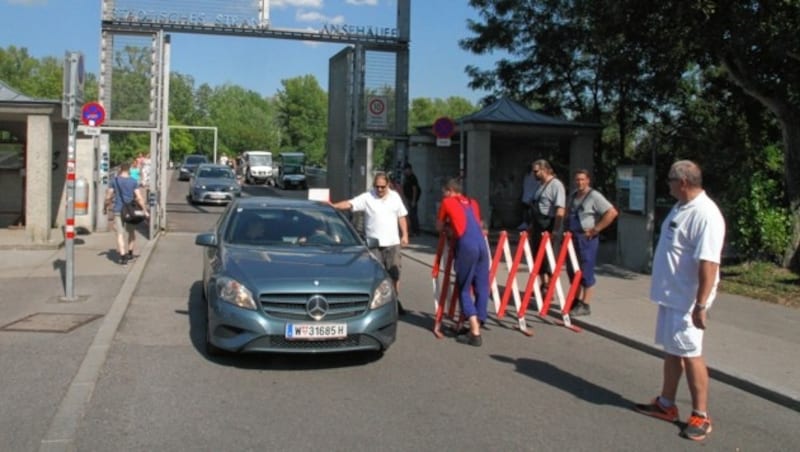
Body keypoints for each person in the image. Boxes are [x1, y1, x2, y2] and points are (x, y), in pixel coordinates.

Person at [634, 160, 725, 442]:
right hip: (672, 296)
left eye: (671, 179)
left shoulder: (706, 214)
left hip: (687, 301)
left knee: (691, 354)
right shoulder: (682, 206)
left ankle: (701, 415)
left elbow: (708, 264)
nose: (668, 184)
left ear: (683, 182)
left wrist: (700, 305)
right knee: (673, 351)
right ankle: (666, 404)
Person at [331, 172, 410, 314]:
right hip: (373, 245)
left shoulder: (395, 197)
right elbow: (350, 204)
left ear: (388, 185)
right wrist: (332, 206)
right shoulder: (368, 197)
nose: (379, 190)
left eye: (382, 187)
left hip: (392, 243)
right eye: (377, 187)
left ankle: (394, 302)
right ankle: (375, 305)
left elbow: (402, 217)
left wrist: (405, 235)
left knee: (394, 274)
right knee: (375, 276)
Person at [436, 177, 490, 347]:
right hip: (482, 246)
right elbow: (476, 222)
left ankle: (474, 332)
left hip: (467, 246)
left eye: (444, 192)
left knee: (464, 288)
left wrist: (446, 227)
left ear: (450, 191)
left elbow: (438, 226)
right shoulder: (473, 202)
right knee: (482, 286)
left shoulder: (447, 202)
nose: (443, 195)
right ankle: (479, 319)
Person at [565, 169, 618, 316]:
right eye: (577, 180)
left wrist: (596, 229)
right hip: (572, 238)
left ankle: (585, 304)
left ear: (588, 180)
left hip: (586, 239)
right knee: (573, 271)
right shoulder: (573, 196)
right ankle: (574, 301)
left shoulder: (594, 196)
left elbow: (612, 212)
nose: (580, 182)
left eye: (582, 179)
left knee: (585, 271)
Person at [528, 159, 566, 284]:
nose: (534, 174)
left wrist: (555, 230)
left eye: (536, 171)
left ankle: (550, 288)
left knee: (549, 258)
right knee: (538, 256)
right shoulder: (540, 185)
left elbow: (560, 209)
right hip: (537, 226)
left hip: (549, 225)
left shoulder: (556, 185)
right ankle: (543, 283)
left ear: (544, 170)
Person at [105, 162, 149, 265]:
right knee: (131, 232)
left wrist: (105, 206)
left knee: (120, 234)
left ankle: (123, 256)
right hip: (130, 211)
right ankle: (130, 253)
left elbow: (108, 196)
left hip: (118, 210)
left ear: (120, 169)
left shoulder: (114, 181)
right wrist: (145, 211)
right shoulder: (133, 181)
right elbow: (139, 197)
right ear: (129, 169)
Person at [518, 161, 540, 231]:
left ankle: (530, 224)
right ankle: (525, 223)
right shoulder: (526, 176)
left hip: (532, 197)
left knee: (531, 212)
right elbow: (525, 186)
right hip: (526, 196)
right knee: (525, 211)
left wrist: (533, 196)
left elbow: (537, 186)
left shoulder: (534, 176)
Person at [402, 163, 421, 236]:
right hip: (408, 198)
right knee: (410, 215)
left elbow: (414, 189)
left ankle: (416, 231)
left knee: (413, 215)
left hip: (412, 199)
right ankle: (412, 231)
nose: (404, 172)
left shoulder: (413, 178)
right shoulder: (407, 177)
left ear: (409, 169)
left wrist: (413, 200)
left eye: (405, 170)